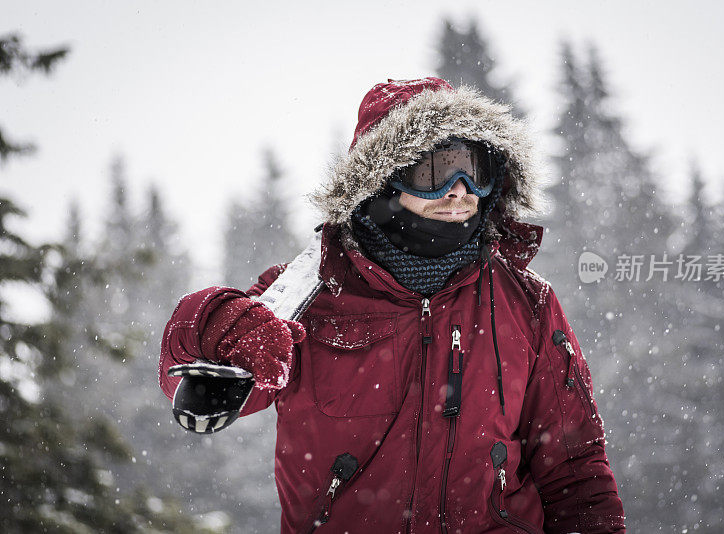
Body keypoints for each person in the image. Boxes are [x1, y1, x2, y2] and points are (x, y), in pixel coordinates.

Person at [159, 77, 626, 533]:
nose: (460, 189)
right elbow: (195, 363)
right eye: (434, 172)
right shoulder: (308, 294)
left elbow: (574, 468)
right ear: (382, 180)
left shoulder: (526, 302)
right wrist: (219, 329)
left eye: (475, 170)